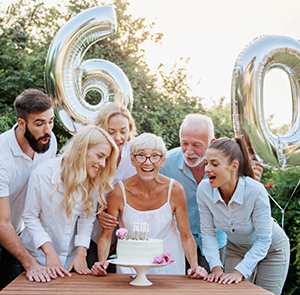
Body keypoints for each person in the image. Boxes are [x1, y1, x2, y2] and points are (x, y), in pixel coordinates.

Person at [91, 133, 207, 278]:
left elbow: (186, 235)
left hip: (169, 264)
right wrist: (102, 263)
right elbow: (106, 235)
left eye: (154, 156)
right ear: (132, 160)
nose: (147, 162)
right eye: (140, 155)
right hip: (130, 266)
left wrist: (194, 266)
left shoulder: (175, 190)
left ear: (163, 161)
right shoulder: (118, 192)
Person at [159, 113, 263, 272]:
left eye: (196, 145)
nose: (188, 151)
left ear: (212, 143)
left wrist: (251, 184)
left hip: (217, 241)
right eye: (184, 143)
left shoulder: (228, 165)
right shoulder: (166, 164)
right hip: (180, 242)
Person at [21, 125, 118, 278]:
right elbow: (30, 217)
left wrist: (81, 253)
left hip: (72, 259)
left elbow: (87, 218)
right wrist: (49, 252)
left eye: (106, 159)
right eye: (100, 156)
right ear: (81, 149)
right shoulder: (42, 175)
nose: (103, 164)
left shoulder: (93, 180)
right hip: (38, 257)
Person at [197, 137, 290, 295]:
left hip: (271, 249)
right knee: (232, 292)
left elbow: (263, 239)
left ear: (233, 166)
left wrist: (239, 272)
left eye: (214, 164)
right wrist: (216, 268)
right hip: (236, 248)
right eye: (206, 163)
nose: (207, 169)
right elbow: (207, 233)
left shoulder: (255, 190)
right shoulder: (204, 190)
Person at [0, 89, 57, 289]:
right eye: (39, 123)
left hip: (19, 233)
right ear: (22, 123)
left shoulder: (48, 141)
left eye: (51, 121)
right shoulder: (2, 157)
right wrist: (31, 264)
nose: (48, 129)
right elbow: (2, 222)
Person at [87, 103, 137, 268]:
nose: (118, 138)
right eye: (111, 132)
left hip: (126, 233)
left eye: (123, 131)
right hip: (90, 232)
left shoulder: (135, 155)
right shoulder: (92, 154)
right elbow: (81, 191)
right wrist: (97, 212)